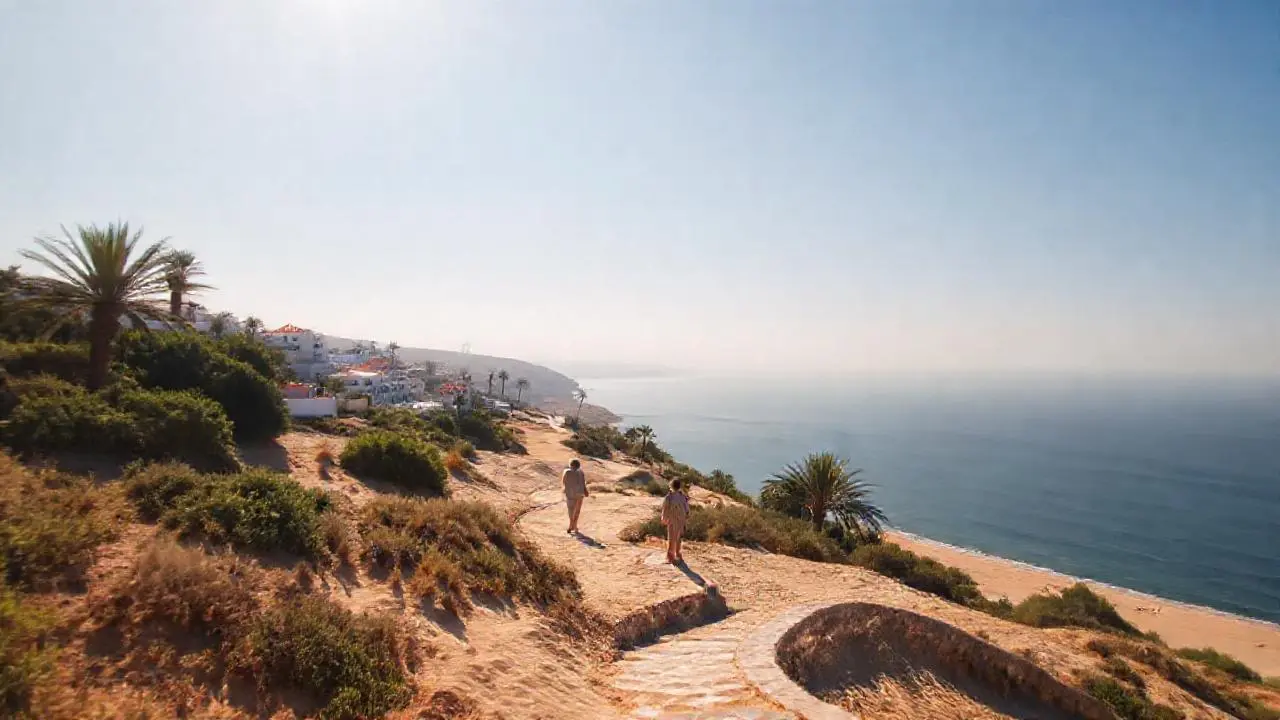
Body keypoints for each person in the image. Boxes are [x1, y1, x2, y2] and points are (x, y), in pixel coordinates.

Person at [661, 478, 690, 564]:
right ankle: (677, 554)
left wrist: (664, 518)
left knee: (671, 538)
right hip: (681, 520)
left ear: (671, 486)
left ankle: (670, 557)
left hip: (672, 520)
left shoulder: (669, 497)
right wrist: (686, 517)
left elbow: (665, 508)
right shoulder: (683, 496)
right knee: (678, 538)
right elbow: (687, 509)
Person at [562, 458, 588, 534]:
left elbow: (563, 482)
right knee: (577, 511)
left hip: (570, 494)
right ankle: (575, 526)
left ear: (571, 465)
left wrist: (564, 490)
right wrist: (586, 491)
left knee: (571, 510)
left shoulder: (566, 471)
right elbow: (583, 483)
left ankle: (571, 526)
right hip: (580, 493)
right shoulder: (581, 472)